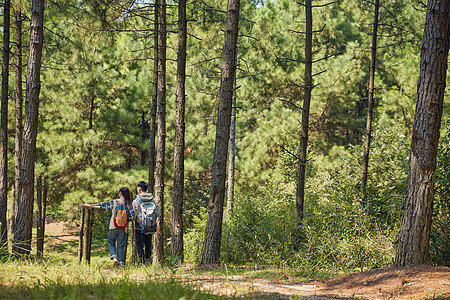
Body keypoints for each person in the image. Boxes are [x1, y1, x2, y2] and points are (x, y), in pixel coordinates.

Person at [93, 187, 135, 267]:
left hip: (113, 226)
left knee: (111, 242)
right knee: (120, 245)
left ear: (120, 193)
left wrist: (96, 204)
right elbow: (133, 216)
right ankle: (121, 263)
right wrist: (125, 220)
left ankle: (113, 256)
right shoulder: (129, 204)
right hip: (123, 228)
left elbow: (105, 204)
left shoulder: (115, 202)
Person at [133, 181, 160, 264]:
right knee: (148, 244)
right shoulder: (153, 200)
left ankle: (142, 263)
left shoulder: (136, 201)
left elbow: (133, 215)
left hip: (139, 227)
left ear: (139, 189)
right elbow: (158, 213)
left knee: (140, 245)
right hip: (150, 227)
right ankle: (148, 262)